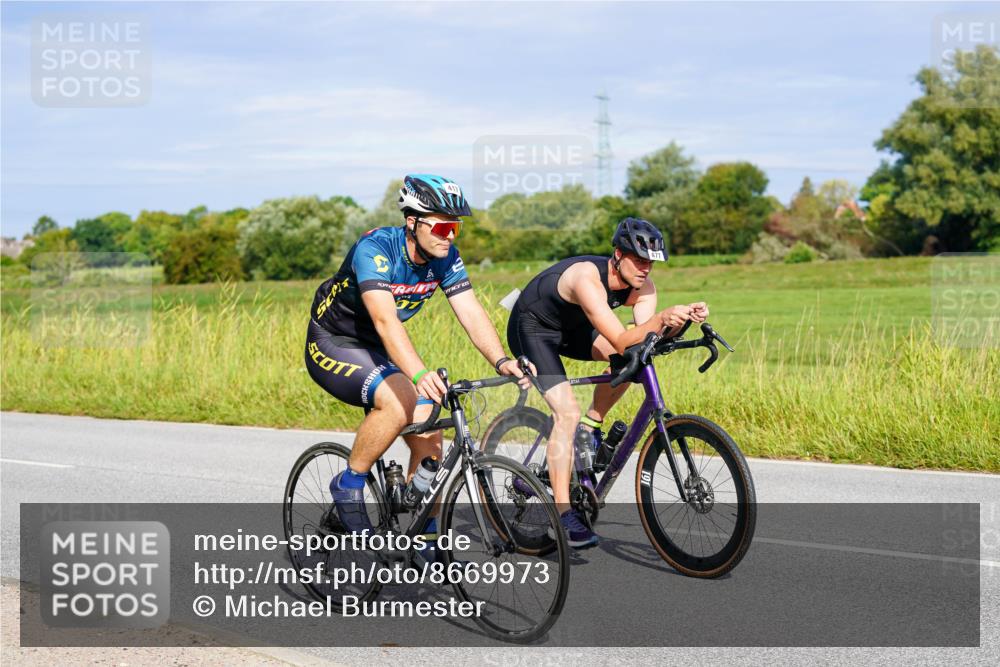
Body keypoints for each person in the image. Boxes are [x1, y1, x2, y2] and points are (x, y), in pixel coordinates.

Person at [306, 174, 533, 548]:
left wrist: (501, 360)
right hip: (334, 341)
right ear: (412, 222)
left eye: (455, 227)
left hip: (378, 348)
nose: (450, 236)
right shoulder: (376, 250)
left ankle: (424, 537)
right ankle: (347, 484)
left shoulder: (445, 259)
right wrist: (419, 372)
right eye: (443, 226)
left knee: (430, 426)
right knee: (398, 403)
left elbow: (471, 312)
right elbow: (384, 320)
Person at [507, 217, 708, 547]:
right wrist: (661, 318)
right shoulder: (587, 278)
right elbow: (619, 338)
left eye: (651, 263)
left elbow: (641, 340)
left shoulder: (644, 287)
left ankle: (592, 425)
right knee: (566, 413)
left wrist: (677, 322)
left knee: (633, 359)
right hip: (534, 329)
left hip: (575, 328)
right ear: (618, 254)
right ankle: (563, 514)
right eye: (640, 260)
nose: (646, 269)